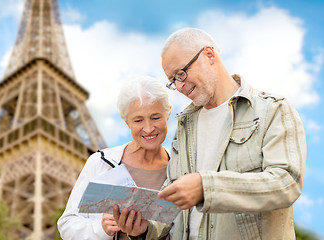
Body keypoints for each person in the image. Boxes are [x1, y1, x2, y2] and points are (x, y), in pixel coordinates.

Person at [117, 28, 307, 239]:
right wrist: (145, 228)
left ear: (209, 55)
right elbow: (172, 201)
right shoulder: (184, 125)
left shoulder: (272, 110)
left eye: (181, 73)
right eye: (173, 80)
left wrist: (206, 187)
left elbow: (286, 183)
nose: (180, 86)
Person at [57, 75, 171, 240]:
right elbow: (67, 224)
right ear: (126, 122)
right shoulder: (100, 162)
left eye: (155, 117)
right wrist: (101, 229)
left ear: (168, 113)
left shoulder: (180, 168)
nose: (148, 129)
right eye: (138, 120)